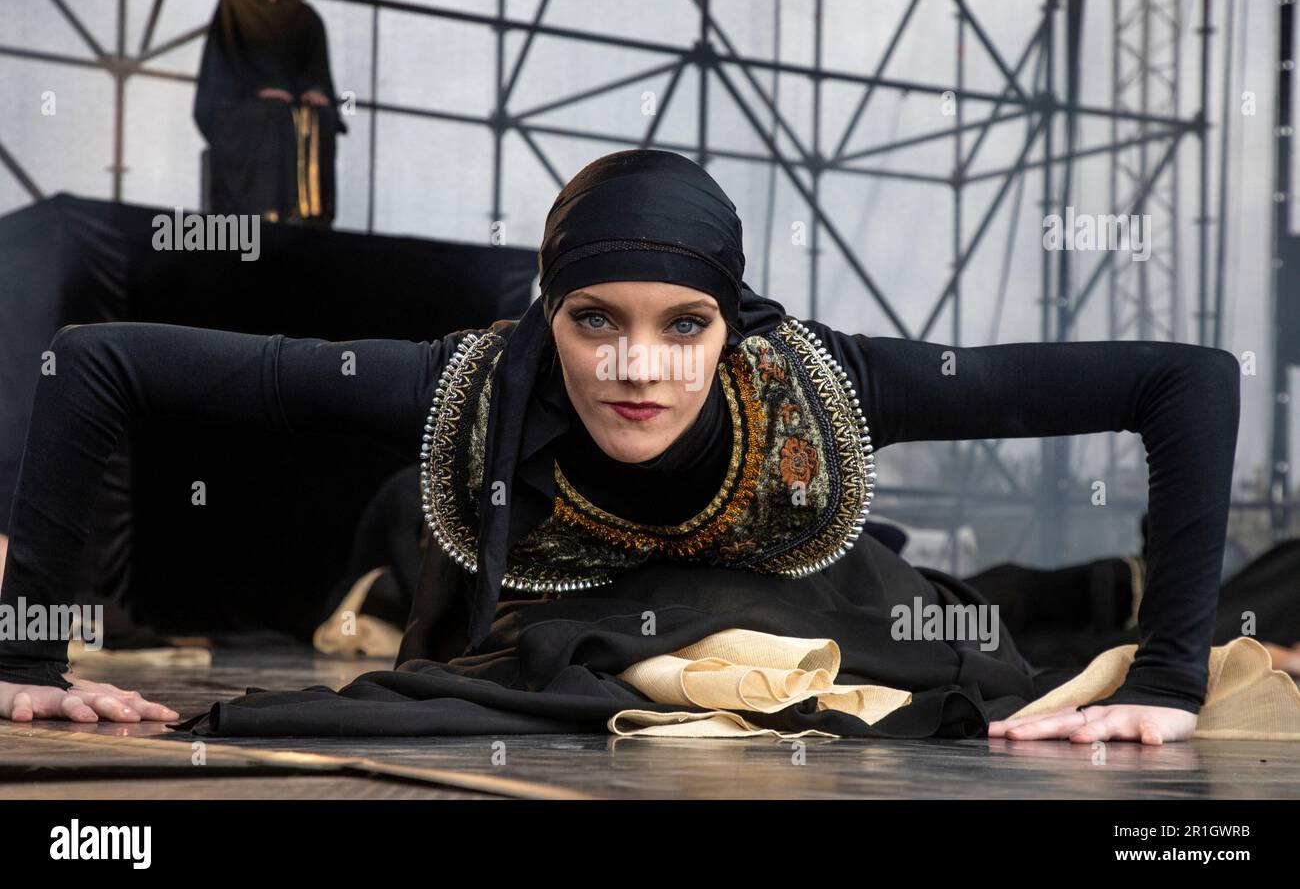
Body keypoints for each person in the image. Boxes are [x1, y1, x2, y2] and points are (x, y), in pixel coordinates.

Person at [0, 149, 1244, 744]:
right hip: (544, 605)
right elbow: (93, 361)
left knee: (969, 630)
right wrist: (27, 647)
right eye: (594, 319)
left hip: (807, 590)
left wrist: (1171, 676)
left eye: (681, 325)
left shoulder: (826, 384)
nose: (634, 368)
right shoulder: (467, 390)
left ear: (733, 323)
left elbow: (1186, 378)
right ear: (547, 315)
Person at [193, 0, 345, 224]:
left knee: (319, 117)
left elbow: (317, 70)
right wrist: (257, 91)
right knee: (271, 112)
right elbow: (222, 65)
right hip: (243, 104)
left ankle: (308, 212)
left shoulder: (307, 16)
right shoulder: (233, 3)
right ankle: (264, 211)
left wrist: (314, 91)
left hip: (293, 107)